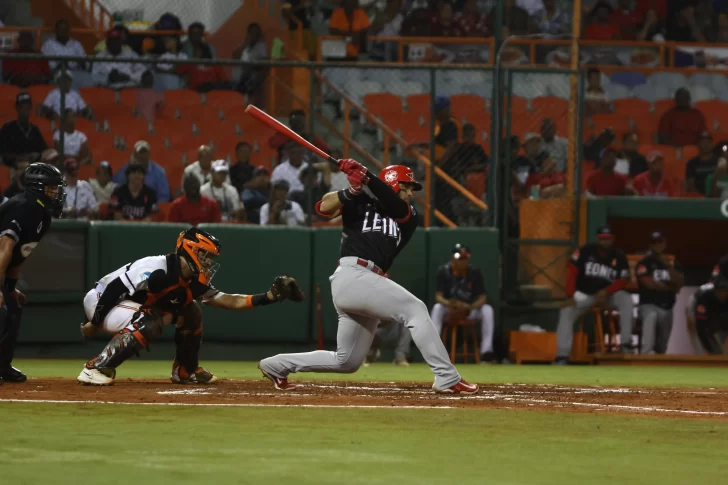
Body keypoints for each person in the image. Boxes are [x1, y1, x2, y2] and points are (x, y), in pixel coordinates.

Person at [258, 163, 479, 394]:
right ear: (393, 183)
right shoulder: (359, 201)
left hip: (367, 281)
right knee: (416, 309)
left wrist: (367, 177)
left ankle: (276, 365)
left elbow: (394, 205)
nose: (411, 193)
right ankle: (446, 376)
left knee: (347, 361)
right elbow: (323, 207)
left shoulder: (409, 215)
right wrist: (350, 191)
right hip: (353, 274)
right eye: (407, 187)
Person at [77, 227, 305, 385]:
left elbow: (229, 300)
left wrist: (269, 296)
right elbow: (114, 289)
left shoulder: (194, 281)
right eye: (205, 256)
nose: (208, 262)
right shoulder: (157, 266)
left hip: (131, 309)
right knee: (149, 322)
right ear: (191, 251)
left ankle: (185, 371)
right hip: (102, 301)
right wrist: (94, 323)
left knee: (191, 310)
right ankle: (96, 367)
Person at [0, 163, 65, 384]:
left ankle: (3, 365)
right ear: (38, 187)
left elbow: (20, 255)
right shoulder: (23, 206)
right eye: (52, 188)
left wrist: (10, 288)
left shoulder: (43, 215)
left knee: (13, 306)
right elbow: (5, 247)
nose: (56, 193)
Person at [555, 226, 633, 363]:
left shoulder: (619, 255)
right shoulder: (585, 251)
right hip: (585, 294)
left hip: (608, 295)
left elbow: (625, 279)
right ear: (597, 239)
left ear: (612, 239)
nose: (605, 242)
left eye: (608, 239)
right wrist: (570, 296)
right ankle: (562, 355)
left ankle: (625, 344)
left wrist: (607, 291)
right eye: (603, 239)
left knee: (626, 299)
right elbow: (572, 271)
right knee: (566, 311)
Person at [430, 244, 496, 362]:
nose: (462, 262)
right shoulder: (444, 271)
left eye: (464, 258)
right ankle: (433, 351)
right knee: (437, 308)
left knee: (487, 310)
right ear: (453, 259)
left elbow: (482, 298)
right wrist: (451, 304)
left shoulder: (474, 272)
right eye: (459, 258)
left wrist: (469, 307)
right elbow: (438, 297)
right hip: (449, 310)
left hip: (469, 311)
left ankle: (487, 352)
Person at [636, 232, 684, 355]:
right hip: (648, 305)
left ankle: (658, 359)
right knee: (651, 315)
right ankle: (646, 352)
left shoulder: (672, 263)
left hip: (667, 307)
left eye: (660, 242)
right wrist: (670, 287)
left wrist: (668, 266)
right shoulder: (644, 263)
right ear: (650, 245)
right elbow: (649, 284)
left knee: (662, 347)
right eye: (654, 243)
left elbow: (679, 284)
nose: (657, 245)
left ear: (665, 244)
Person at [0, 93, 48, 168]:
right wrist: (23, 157)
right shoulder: (8, 128)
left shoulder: (34, 130)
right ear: (17, 108)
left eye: (29, 106)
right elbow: (4, 154)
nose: (27, 108)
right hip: (13, 168)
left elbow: (44, 151)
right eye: (23, 106)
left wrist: (36, 155)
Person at [686, 278, 728, 355]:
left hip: (716, 314)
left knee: (720, 349)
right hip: (694, 304)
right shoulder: (705, 298)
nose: (724, 293)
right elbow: (700, 326)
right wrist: (707, 348)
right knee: (701, 345)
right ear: (716, 291)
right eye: (722, 291)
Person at [232, 23, 268, 106]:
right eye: (252, 33)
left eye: (256, 33)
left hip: (252, 77)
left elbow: (264, 61)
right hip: (240, 77)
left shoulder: (261, 45)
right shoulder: (244, 44)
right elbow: (235, 56)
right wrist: (245, 44)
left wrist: (250, 65)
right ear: (248, 34)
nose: (254, 35)